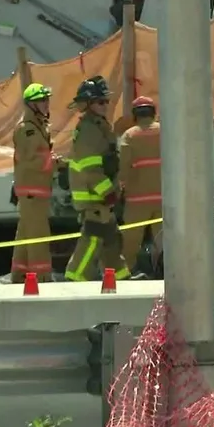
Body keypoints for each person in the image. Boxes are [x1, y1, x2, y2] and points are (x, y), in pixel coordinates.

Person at [63, 76, 131, 282]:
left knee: (110, 238)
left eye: (106, 101)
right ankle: (75, 277)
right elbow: (90, 168)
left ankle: (120, 277)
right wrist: (107, 192)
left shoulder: (98, 125)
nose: (105, 105)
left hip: (99, 195)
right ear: (89, 104)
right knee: (93, 237)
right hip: (94, 196)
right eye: (100, 101)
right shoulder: (89, 130)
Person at [11, 83, 58, 284]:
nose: (46, 104)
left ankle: (20, 275)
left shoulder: (37, 127)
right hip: (32, 190)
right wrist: (57, 162)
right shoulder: (27, 130)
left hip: (36, 190)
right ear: (31, 104)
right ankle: (42, 278)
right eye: (41, 100)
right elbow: (34, 159)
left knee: (26, 233)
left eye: (47, 99)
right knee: (39, 234)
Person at [119, 96, 162, 271]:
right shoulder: (165, 131)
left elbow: (124, 168)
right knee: (164, 241)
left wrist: (120, 189)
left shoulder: (129, 135)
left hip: (136, 201)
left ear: (135, 115)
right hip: (162, 198)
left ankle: (123, 275)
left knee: (130, 242)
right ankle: (167, 273)